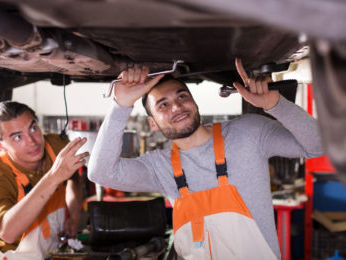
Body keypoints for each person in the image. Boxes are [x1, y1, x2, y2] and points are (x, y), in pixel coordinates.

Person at [88, 58, 325, 259]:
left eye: (182, 97)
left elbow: (319, 146)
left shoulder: (247, 133)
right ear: (153, 124)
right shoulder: (159, 167)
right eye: (163, 105)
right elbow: (100, 173)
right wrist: (120, 105)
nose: (177, 107)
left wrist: (276, 105)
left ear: (194, 101)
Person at [0, 101, 88, 260]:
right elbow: (7, 233)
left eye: (33, 128)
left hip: (51, 251)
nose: (32, 142)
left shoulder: (56, 146)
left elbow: (73, 178)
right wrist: (53, 177)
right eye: (18, 137)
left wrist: (74, 215)